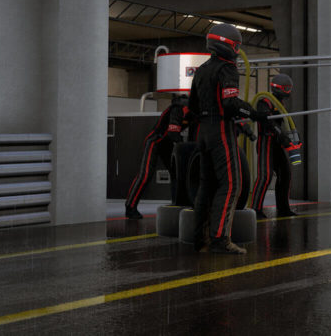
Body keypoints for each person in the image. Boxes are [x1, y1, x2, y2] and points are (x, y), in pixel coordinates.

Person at [189, 23, 259, 254]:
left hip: (203, 131)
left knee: (206, 186)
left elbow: (193, 106)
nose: (237, 50)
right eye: (236, 46)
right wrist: (253, 113)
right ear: (229, 45)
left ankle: (200, 241)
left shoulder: (201, 69)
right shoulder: (227, 68)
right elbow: (230, 104)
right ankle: (220, 240)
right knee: (231, 185)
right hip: (220, 130)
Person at [124, 94, 192, 219]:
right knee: (145, 174)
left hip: (167, 143)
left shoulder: (191, 109)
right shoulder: (180, 107)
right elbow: (173, 132)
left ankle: (177, 203)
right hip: (155, 141)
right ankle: (130, 207)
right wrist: (183, 146)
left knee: (177, 173)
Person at [249, 74, 303, 218]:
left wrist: (294, 138)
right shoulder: (264, 102)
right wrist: (281, 135)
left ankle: (283, 208)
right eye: (286, 88)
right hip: (265, 143)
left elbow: (287, 122)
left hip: (276, 144)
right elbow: (268, 122)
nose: (288, 92)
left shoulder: (279, 103)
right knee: (265, 176)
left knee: (285, 174)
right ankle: (256, 209)